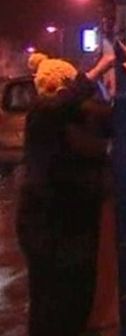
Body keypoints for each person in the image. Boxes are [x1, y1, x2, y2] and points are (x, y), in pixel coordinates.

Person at [17, 51, 115, 336]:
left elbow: (111, 121)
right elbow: (62, 105)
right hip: (47, 226)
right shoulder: (43, 114)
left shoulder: (75, 115)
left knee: (74, 298)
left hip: (73, 223)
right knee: (52, 303)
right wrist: (98, 70)